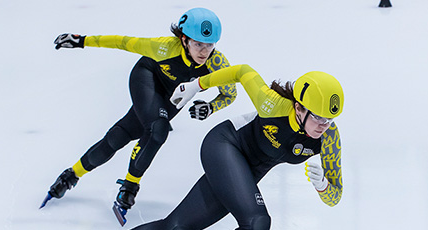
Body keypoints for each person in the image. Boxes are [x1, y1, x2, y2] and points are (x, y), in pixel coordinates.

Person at [40, 7, 237, 221]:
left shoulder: (217, 64)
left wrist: (210, 107)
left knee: (119, 136)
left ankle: (71, 175)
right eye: (198, 44)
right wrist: (82, 40)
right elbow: (122, 41)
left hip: (172, 98)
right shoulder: (163, 48)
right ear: (183, 39)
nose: (204, 51)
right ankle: (130, 187)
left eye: (209, 45)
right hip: (147, 78)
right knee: (158, 130)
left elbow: (230, 94)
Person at [132, 64, 344, 230]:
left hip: (249, 170)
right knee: (257, 222)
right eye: (317, 117)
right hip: (226, 145)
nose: (323, 126)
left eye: (330, 119)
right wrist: (196, 85)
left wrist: (323, 185)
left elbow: (335, 197)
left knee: (177, 227)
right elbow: (243, 71)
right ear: (298, 107)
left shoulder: (329, 139)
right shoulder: (272, 104)